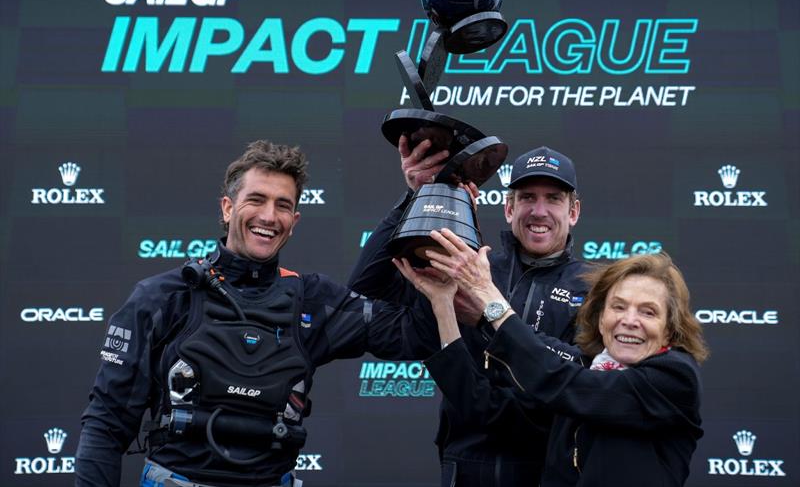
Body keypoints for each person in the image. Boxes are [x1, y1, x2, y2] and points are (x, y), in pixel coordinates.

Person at [75, 140, 439, 487]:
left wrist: (425, 198)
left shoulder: (312, 300)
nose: (269, 216)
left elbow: (417, 332)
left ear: (295, 220)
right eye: (256, 199)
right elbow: (106, 425)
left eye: (283, 205)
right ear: (227, 208)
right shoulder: (161, 297)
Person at [348, 138, 591, 485]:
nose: (539, 211)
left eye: (553, 199)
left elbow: (581, 370)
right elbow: (366, 286)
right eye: (526, 198)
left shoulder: (596, 288)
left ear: (573, 212)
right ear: (509, 208)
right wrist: (416, 197)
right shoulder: (469, 267)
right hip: (464, 467)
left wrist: (488, 316)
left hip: (546, 469)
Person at [396, 233, 708, 487]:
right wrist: (442, 307)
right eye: (618, 307)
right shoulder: (587, 372)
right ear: (600, 319)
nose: (629, 320)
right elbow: (486, 407)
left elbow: (561, 382)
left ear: (670, 330)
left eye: (648, 311)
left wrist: (489, 298)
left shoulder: (674, 378)